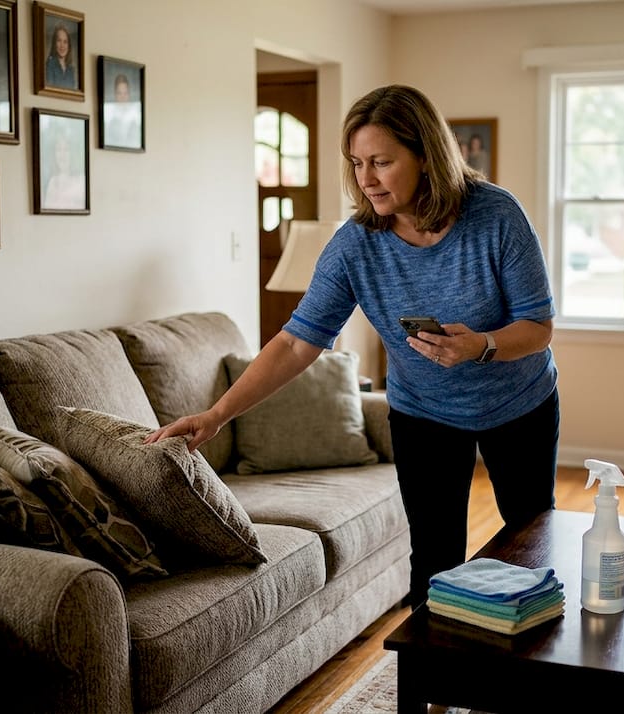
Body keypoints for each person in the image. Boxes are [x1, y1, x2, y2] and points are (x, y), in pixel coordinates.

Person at [145, 84, 559, 608]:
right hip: (424, 414)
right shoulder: (355, 245)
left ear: (426, 157)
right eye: (357, 163)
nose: (366, 179)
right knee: (434, 560)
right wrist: (217, 414)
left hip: (518, 404)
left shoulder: (496, 216)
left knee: (529, 546)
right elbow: (296, 343)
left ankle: (534, 654)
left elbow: (538, 327)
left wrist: (481, 345)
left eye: (382, 162)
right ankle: (430, 665)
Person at [43, 129, 85, 209]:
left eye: (66, 149)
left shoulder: (82, 181)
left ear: (72, 153)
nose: (62, 154)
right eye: (58, 149)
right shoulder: (52, 182)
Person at [104, 73, 141, 148]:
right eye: (119, 93)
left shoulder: (136, 114)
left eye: (125, 93)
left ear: (129, 94)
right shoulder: (108, 114)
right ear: (115, 94)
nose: (123, 97)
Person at [44, 23, 77, 89]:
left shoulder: (71, 69)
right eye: (59, 40)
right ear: (54, 43)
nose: (62, 45)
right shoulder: (50, 63)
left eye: (65, 42)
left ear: (69, 45)